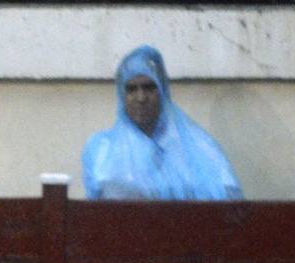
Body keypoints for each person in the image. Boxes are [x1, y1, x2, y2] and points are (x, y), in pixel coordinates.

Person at [81, 45, 243, 201]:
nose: (141, 98)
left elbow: (229, 204)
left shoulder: (200, 147)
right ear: (121, 96)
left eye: (149, 88)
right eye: (131, 89)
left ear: (163, 92)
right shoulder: (101, 150)